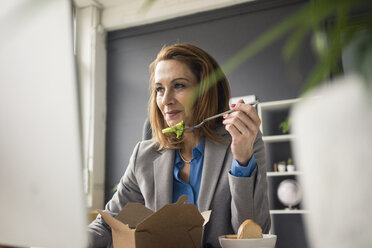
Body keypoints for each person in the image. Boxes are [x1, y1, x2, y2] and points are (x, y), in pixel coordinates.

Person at [88, 43, 270, 248]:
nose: (166, 100)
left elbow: (254, 235)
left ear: (206, 91)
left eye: (179, 86)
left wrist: (242, 160)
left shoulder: (242, 142)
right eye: (159, 89)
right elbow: (108, 224)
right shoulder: (144, 155)